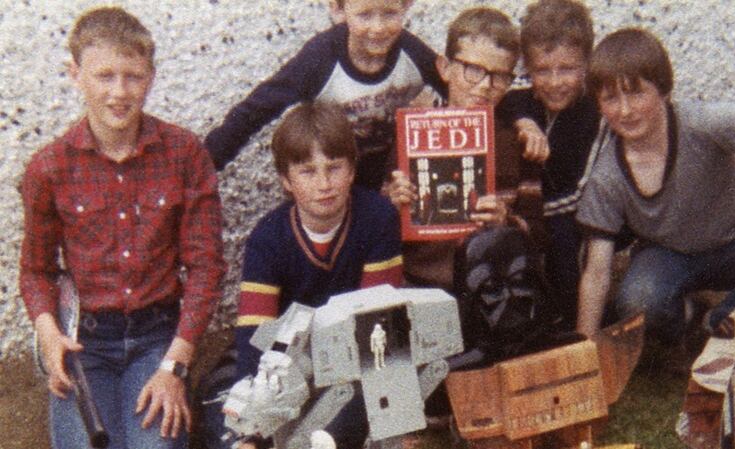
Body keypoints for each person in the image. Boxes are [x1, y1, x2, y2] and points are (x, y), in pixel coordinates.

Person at [19, 7, 226, 449]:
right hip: (85, 344)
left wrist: (175, 365)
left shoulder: (185, 154)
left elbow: (207, 267)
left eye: (132, 77)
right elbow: (36, 270)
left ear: (150, 77)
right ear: (76, 74)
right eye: (104, 76)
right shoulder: (49, 168)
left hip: (158, 339)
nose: (119, 92)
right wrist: (50, 336)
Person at [575, 28, 735, 342]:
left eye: (636, 93)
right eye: (611, 98)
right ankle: (693, 317)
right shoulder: (607, 175)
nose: (625, 110)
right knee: (638, 303)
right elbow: (597, 272)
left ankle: (720, 320)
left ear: (663, 91)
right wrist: (583, 348)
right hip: (667, 257)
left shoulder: (701, 123)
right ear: (599, 105)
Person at [202, 101, 403, 449]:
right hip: (282, 357)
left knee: (380, 372)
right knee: (221, 396)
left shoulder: (378, 218)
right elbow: (255, 335)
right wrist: (248, 429)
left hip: (350, 354)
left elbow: (376, 320)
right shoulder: (267, 238)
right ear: (286, 180)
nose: (324, 184)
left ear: (352, 170)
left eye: (334, 168)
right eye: (308, 172)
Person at [204, 0, 446, 191]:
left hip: (390, 177)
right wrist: (203, 165)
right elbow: (258, 108)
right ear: (338, 9)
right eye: (364, 15)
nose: (378, 28)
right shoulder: (320, 59)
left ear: (407, 5)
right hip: (332, 178)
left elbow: (455, 87)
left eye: (390, 13)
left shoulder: (411, 53)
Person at [385, 7, 529, 290]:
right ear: (445, 68)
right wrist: (392, 203)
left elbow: (537, 233)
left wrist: (506, 221)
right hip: (419, 284)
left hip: (489, 288)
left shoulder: (515, 140)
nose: (485, 86)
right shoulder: (412, 132)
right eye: (473, 70)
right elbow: (380, 229)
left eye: (500, 76)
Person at [497, 0, 606, 329]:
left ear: (586, 64)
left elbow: (583, 188)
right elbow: (504, 97)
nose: (555, 82)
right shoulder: (523, 96)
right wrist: (524, 122)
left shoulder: (594, 111)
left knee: (563, 250)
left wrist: (533, 216)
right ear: (528, 68)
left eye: (567, 69)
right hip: (528, 209)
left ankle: (568, 326)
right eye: (543, 71)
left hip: (575, 213)